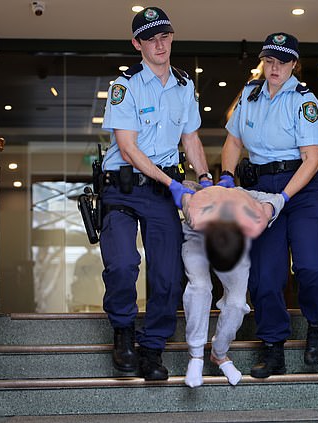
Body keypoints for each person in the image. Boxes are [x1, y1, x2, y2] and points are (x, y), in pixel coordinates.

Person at [99, 6, 211, 381]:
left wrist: (206, 177)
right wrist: (173, 183)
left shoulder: (184, 85)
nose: (160, 44)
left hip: (164, 191)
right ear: (137, 44)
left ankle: (152, 348)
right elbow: (128, 148)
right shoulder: (124, 86)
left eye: (165, 36)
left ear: (172, 38)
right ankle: (124, 333)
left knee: (167, 273)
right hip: (123, 187)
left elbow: (190, 137)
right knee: (122, 264)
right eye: (151, 38)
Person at [219, 32, 318, 378]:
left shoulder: (305, 101)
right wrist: (227, 175)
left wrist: (281, 200)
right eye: (269, 60)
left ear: (294, 65)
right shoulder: (249, 96)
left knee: (313, 266)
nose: (274, 68)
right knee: (265, 275)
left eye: (282, 62)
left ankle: (316, 324)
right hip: (259, 187)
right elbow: (233, 140)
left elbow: (312, 160)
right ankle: (273, 346)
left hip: (301, 188)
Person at [178, 182, 285, 387]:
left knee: (236, 303)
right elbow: (184, 189)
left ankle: (219, 354)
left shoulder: (250, 212)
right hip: (196, 237)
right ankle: (197, 355)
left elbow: (278, 197)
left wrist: (270, 207)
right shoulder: (196, 210)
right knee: (200, 287)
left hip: (235, 235)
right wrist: (190, 192)